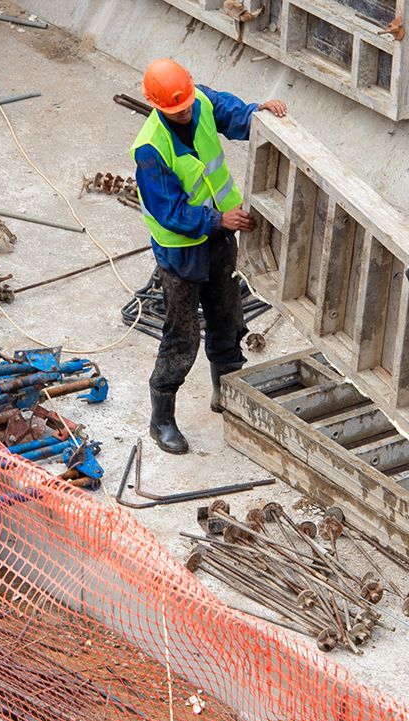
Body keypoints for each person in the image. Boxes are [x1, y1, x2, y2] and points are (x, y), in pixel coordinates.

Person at [130, 57, 288, 454]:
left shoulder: (200, 101)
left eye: (185, 105)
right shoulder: (151, 148)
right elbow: (170, 212)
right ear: (157, 106)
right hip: (182, 254)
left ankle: (226, 396)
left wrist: (256, 113)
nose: (184, 112)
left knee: (227, 318)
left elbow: (229, 111)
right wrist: (219, 219)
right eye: (175, 109)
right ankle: (161, 420)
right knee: (182, 337)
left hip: (218, 240)